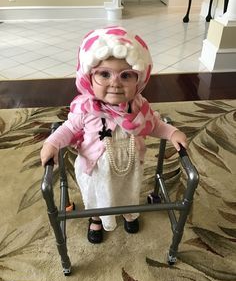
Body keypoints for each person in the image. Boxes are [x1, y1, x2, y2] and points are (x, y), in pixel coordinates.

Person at [40, 26, 187, 244]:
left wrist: (172, 132)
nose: (115, 82)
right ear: (89, 77)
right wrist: (52, 143)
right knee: (97, 197)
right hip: (97, 170)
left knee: (128, 192)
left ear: (139, 80)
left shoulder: (138, 107)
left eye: (126, 75)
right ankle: (96, 218)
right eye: (104, 74)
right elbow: (70, 129)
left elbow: (153, 124)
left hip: (129, 168)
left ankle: (129, 213)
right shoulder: (86, 109)